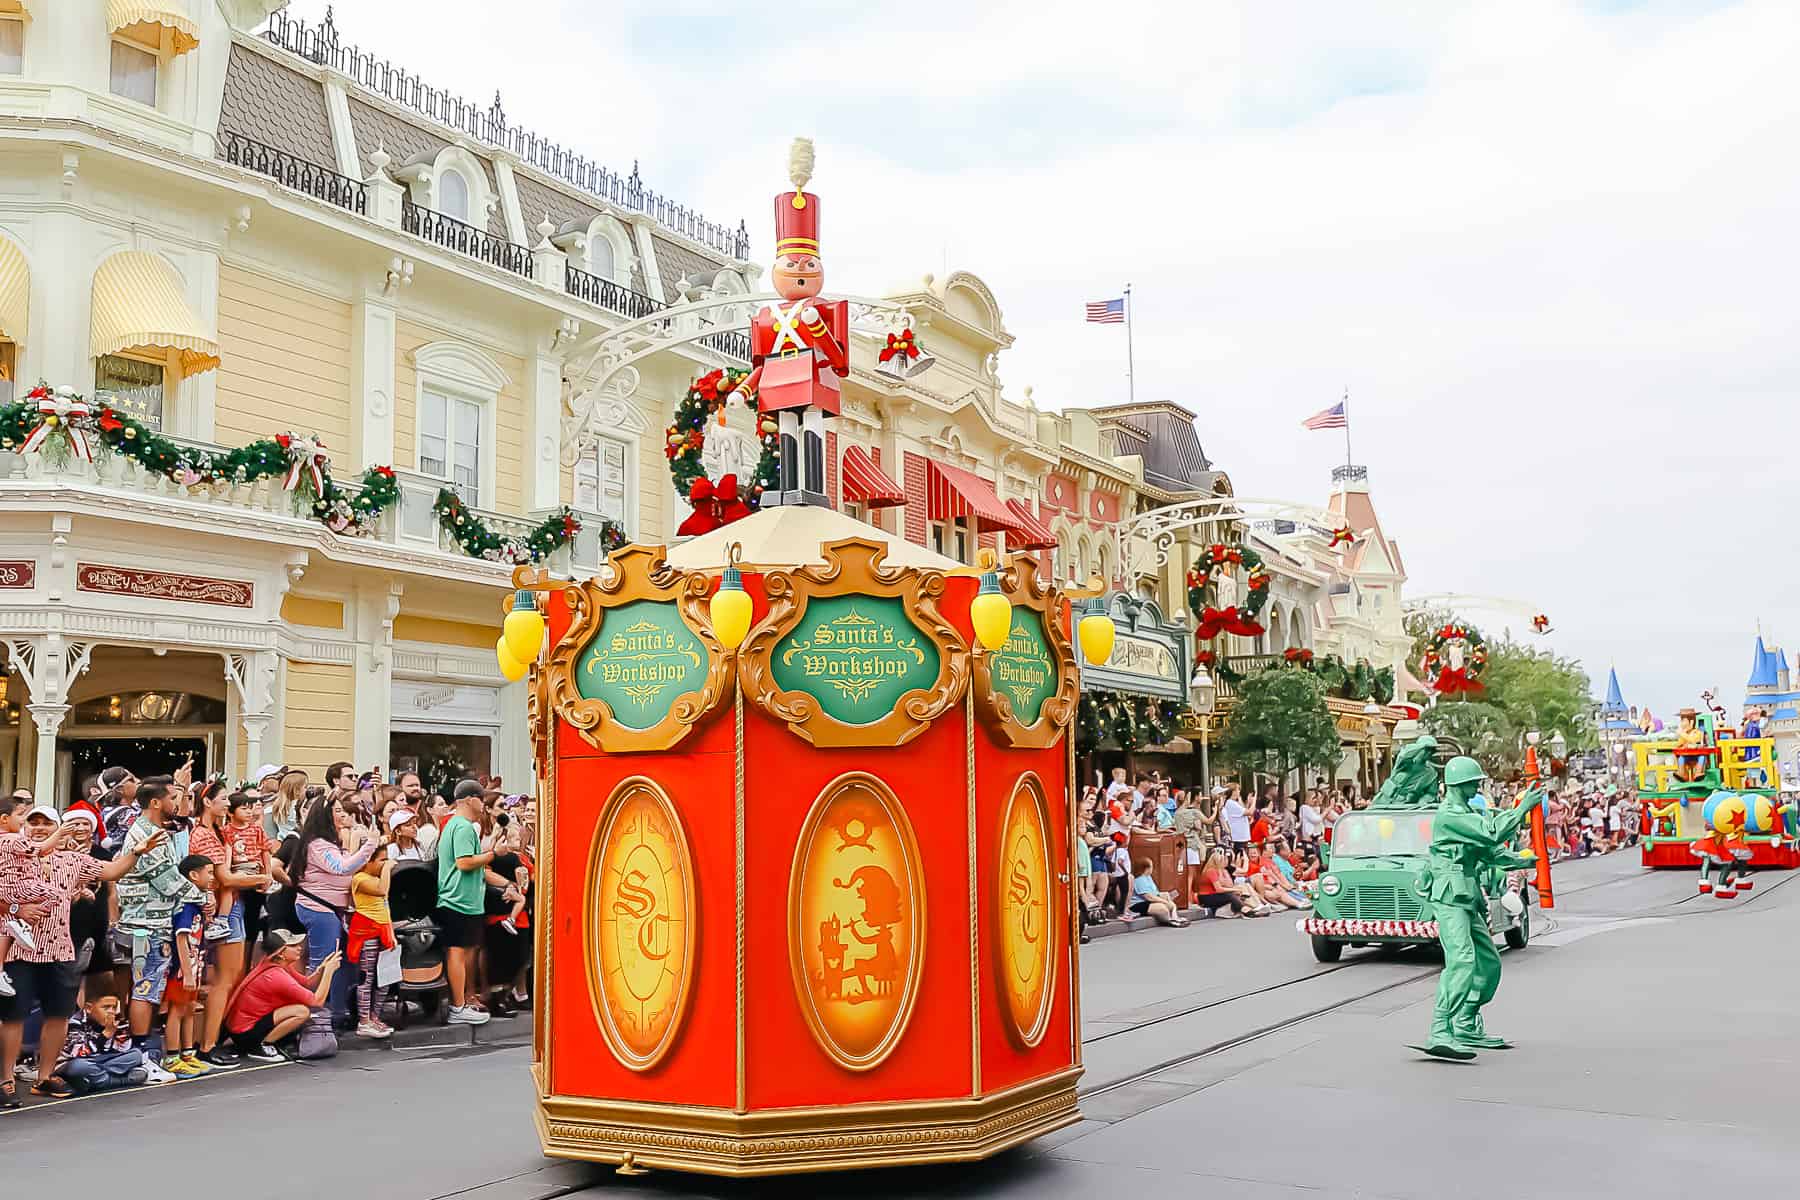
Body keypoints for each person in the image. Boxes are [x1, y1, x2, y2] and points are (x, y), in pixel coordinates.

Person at [1414, 757, 1544, 1061]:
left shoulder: (1466, 812)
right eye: (1474, 781)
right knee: (1461, 960)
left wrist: (1520, 861)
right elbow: (1490, 832)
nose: (1478, 785)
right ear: (1460, 784)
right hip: (1449, 895)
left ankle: (1466, 1022)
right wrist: (1522, 807)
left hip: (1467, 895)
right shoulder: (1449, 815)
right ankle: (1440, 1028)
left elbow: (1488, 851)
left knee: (1489, 963)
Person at [115, 779, 204, 1055]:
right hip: (145, 925)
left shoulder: (154, 831)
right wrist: (202, 897)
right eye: (172, 798)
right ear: (155, 802)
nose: (175, 804)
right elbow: (167, 881)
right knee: (145, 987)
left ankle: (143, 1050)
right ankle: (140, 1053)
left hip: (153, 921)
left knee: (149, 987)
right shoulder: (144, 834)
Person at [291, 795, 379, 1031]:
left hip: (330, 909)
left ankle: (333, 1013)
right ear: (325, 815)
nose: (342, 814)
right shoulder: (318, 844)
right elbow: (341, 868)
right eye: (337, 811)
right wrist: (369, 845)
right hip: (319, 909)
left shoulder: (328, 842)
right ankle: (311, 1021)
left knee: (339, 963)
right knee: (322, 965)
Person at [223, 929, 337, 1060]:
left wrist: (321, 969)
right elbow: (317, 1002)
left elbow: (306, 983)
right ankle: (262, 1045)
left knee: (300, 1008)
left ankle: (264, 1042)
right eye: (293, 945)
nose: (299, 948)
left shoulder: (278, 964)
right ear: (281, 952)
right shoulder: (275, 975)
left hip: (244, 1027)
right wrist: (329, 972)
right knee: (302, 1012)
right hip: (245, 1033)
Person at [437, 786, 494, 1024]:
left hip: (463, 901)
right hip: (457, 899)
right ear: (470, 800)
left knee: (461, 953)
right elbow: (464, 862)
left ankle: (461, 1003)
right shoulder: (461, 826)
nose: (483, 804)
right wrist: (492, 854)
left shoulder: (454, 824)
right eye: (481, 799)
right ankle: (458, 1007)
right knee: (457, 954)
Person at [0, 796, 62, 998]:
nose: (23, 819)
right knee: (54, 894)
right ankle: (24, 925)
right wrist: (62, 831)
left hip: (7, 893)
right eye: (21, 815)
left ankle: (0, 972)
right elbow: (40, 849)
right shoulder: (12, 839)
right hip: (17, 887)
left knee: (4, 929)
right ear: (4, 819)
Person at [161, 853, 215, 1077]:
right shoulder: (185, 906)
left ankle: (188, 1054)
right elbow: (181, 938)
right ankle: (172, 1057)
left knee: (190, 1009)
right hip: (184, 968)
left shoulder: (198, 904)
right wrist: (187, 972)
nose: (213, 877)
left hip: (196, 964)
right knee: (177, 1010)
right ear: (193, 875)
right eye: (209, 872)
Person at [54, 994, 148, 1094]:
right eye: (106, 1007)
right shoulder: (76, 1022)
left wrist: (117, 1032)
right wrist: (105, 1035)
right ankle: (121, 1080)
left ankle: (92, 1081)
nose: (111, 1011)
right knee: (77, 1066)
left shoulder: (117, 1020)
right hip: (76, 1061)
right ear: (89, 1008)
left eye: (114, 1007)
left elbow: (123, 1050)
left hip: (102, 1061)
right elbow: (78, 1053)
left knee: (136, 1054)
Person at [349, 839, 395, 1039]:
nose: (386, 864)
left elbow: (385, 905)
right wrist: (388, 869)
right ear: (368, 861)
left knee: (386, 978)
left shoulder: (380, 876)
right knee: (367, 979)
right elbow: (382, 890)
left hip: (383, 929)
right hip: (367, 931)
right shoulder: (359, 878)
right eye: (382, 860)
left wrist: (391, 933)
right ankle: (364, 1020)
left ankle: (375, 1016)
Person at [1193, 848, 1261, 918]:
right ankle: (1245, 910)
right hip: (1205, 897)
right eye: (1223, 860)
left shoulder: (1217, 870)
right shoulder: (1211, 871)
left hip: (1212, 894)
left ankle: (1249, 908)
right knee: (1228, 895)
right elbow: (1219, 889)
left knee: (1232, 894)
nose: (1225, 862)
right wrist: (1235, 890)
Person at [1124, 859, 1190, 927]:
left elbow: (1154, 893)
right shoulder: (1139, 880)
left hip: (1148, 902)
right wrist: (1163, 901)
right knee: (1163, 908)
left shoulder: (1148, 877)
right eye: (1151, 866)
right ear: (1146, 868)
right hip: (1138, 904)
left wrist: (1165, 895)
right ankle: (1169, 921)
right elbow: (1148, 897)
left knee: (1171, 905)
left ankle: (1175, 918)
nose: (1152, 868)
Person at [1222, 785, 1250, 853]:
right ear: (1233, 792)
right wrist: (1255, 799)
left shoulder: (1235, 802)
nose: (1239, 792)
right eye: (1238, 790)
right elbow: (1249, 812)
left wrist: (1241, 800)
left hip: (1241, 836)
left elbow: (1244, 809)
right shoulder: (1230, 803)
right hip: (1238, 837)